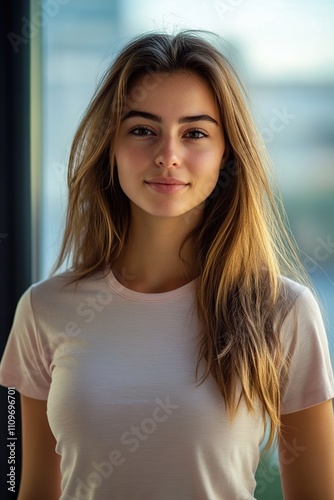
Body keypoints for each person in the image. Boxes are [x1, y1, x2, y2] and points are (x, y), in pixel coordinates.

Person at [0, 30, 334, 500]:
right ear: (110, 147)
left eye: (195, 133)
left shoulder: (284, 312)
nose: (167, 155)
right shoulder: (42, 310)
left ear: (227, 155)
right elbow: (30, 486)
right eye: (142, 129)